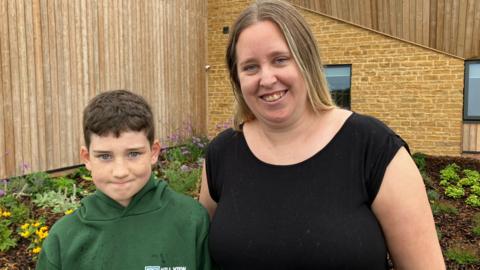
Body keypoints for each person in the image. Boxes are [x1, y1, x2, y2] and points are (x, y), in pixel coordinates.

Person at [199, 0, 445, 269]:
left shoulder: (373, 148)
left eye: (280, 59)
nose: (267, 79)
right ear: (237, 78)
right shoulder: (221, 155)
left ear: (307, 61)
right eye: (250, 67)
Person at [37, 90, 214, 270]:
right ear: (87, 158)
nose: (120, 172)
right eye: (105, 156)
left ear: (154, 152)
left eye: (133, 154)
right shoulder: (64, 238)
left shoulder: (191, 220)